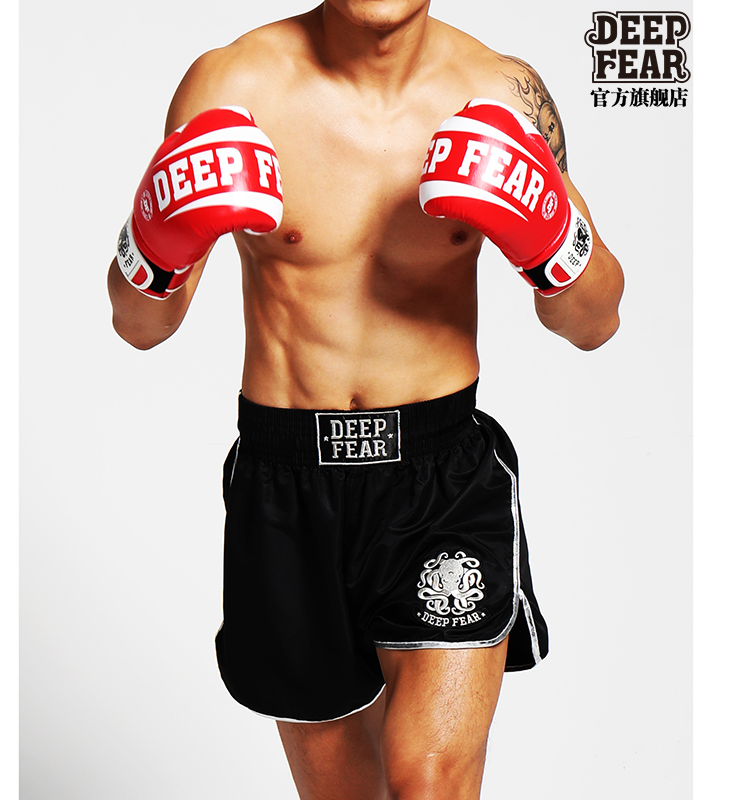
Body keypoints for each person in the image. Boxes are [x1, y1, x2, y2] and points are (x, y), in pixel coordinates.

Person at [108, 2, 624, 798]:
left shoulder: (499, 90)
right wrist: (155, 239)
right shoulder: (233, 84)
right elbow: (141, 323)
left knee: (429, 778)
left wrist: (552, 236)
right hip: (286, 486)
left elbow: (595, 321)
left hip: (440, 482)